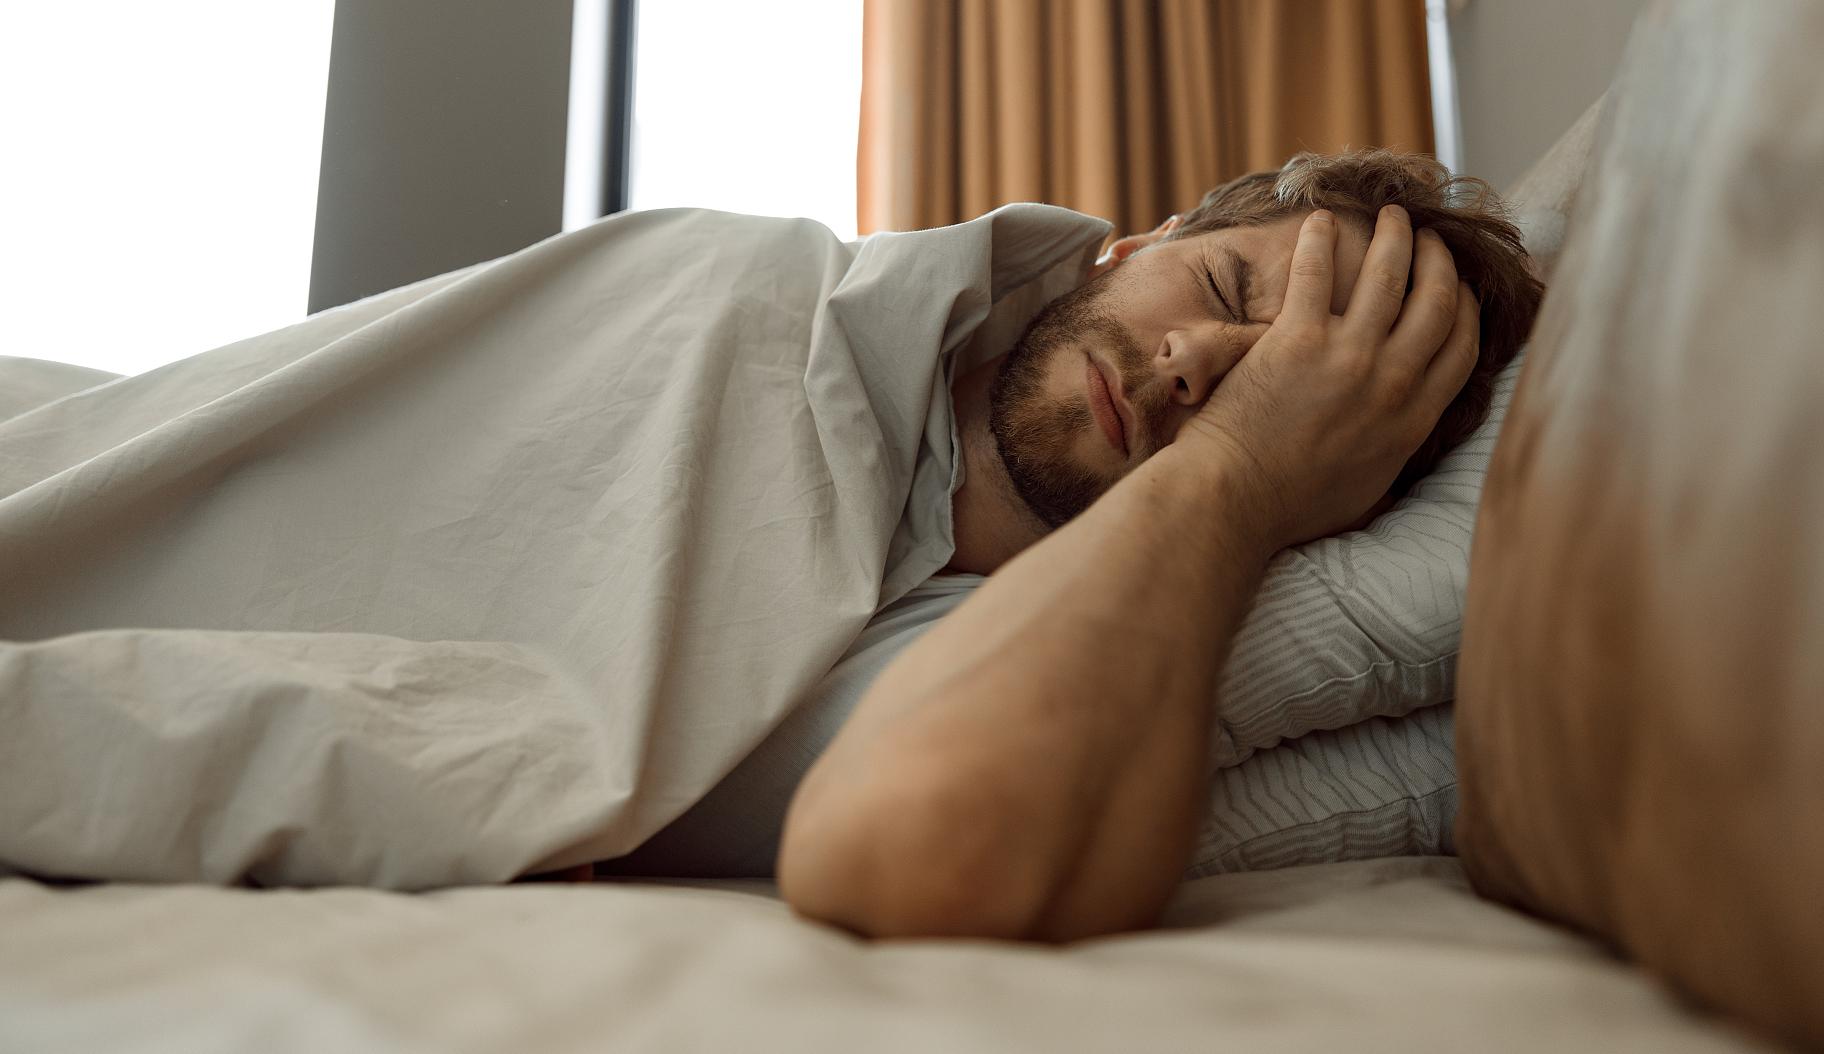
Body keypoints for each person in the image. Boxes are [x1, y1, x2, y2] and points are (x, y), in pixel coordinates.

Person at [610, 151, 1544, 940]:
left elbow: (922, 846)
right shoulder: (780, 300)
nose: (1192, 363)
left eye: (1274, 392)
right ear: (1135, 251)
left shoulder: (999, 655)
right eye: (1220, 286)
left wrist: (1238, 471)